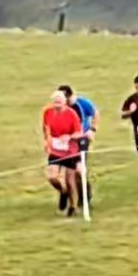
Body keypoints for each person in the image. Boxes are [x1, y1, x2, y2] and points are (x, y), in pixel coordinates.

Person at [42, 88, 83, 217]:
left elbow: (79, 132)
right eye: (55, 102)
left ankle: (73, 207)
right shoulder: (48, 112)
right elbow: (46, 127)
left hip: (70, 150)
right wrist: (47, 141)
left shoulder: (72, 114)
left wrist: (69, 137)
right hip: (55, 149)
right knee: (52, 177)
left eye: (60, 101)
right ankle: (63, 191)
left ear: (65, 102)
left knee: (70, 180)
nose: (57, 104)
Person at [59, 85, 98, 205]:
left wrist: (92, 129)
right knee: (70, 173)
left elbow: (95, 113)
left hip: (82, 138)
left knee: (78, 170)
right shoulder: (61, 107)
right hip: (69, 141)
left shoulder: (82, 103)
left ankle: (86, 195)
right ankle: (74, 198)